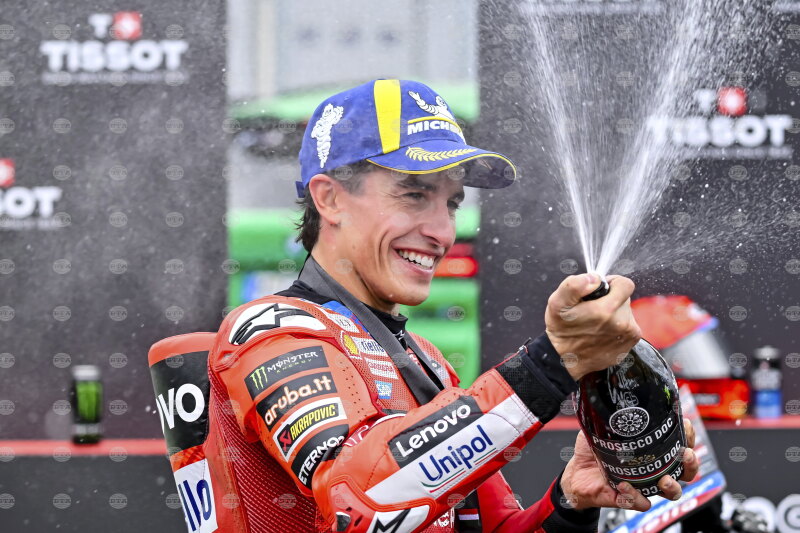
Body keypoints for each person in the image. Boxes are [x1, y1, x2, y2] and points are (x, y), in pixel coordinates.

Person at [148, 79, 700, 533]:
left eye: (451, 203)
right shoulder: (269, 330)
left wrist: (571, 502)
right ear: (329, 198)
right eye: (414, 194)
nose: (441, 231)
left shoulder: (426, 359)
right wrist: (553, 362)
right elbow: (359, 500)